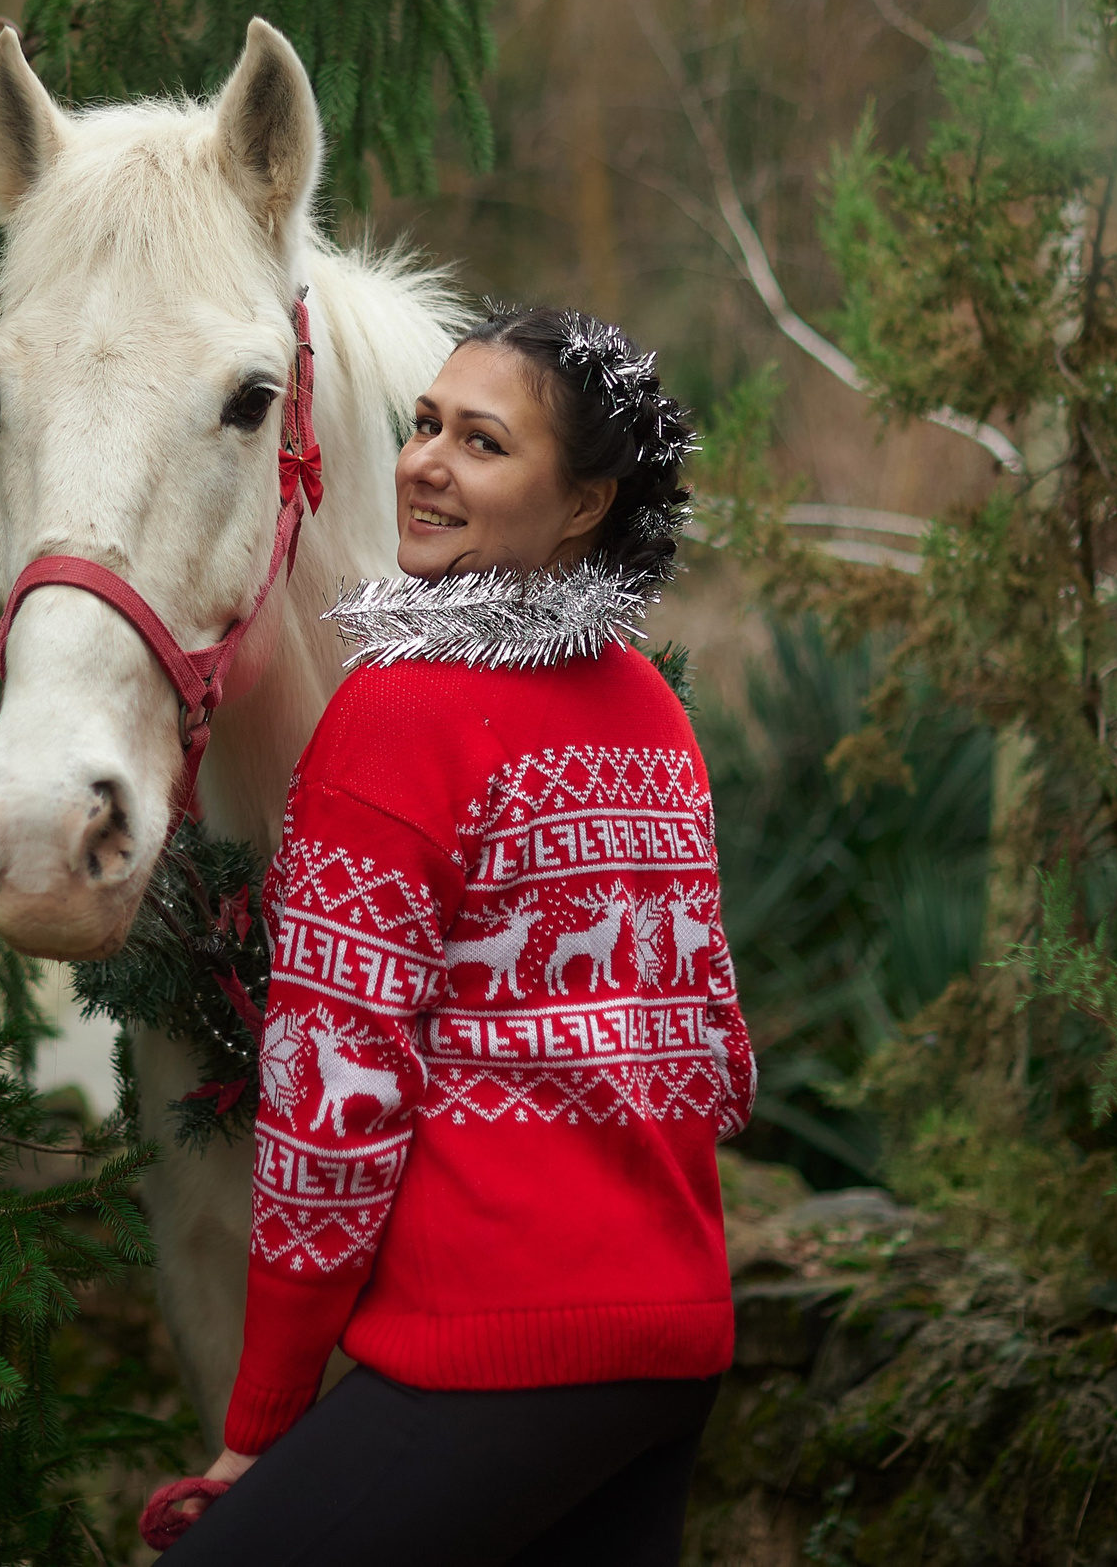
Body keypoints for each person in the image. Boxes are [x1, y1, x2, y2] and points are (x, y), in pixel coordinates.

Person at [141, 307, 755, 1565]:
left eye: (482, 442)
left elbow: (332, 1100)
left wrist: (262, 1420)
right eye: (424, 423)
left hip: (489, 1352)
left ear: (583, 503)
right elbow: (716, 1052)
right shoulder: (649, 705)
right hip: (672, 1338)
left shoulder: (400, 711)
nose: (423, 461)